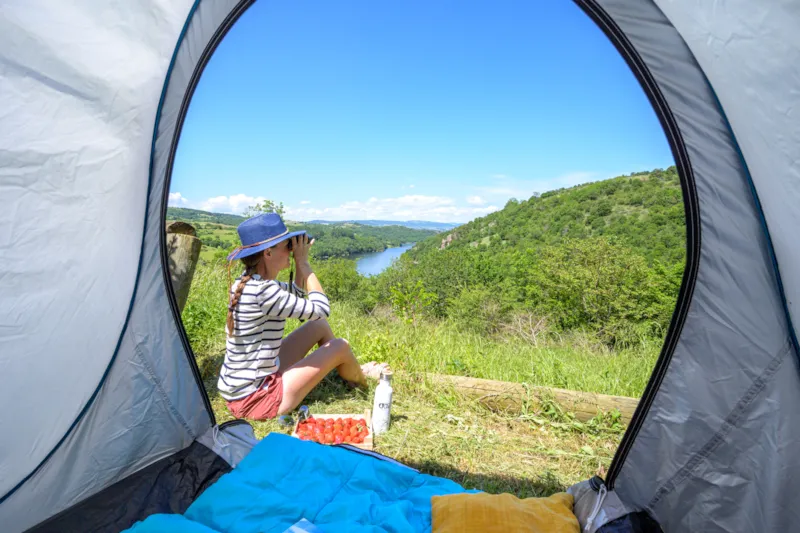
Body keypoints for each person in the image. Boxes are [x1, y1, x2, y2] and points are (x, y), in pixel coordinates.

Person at [219, 212, 388, 421]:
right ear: (268, 253)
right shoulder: (263, 291)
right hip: (256, 399)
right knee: (340, 345)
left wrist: (298, 263)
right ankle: (360, 380)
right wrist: (304, 263)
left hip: (245, 388)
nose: (291, 251)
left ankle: (350, 368)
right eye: (286, 246)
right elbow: (321, 308)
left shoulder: (249, 283)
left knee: (319, 326)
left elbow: (296, 294)